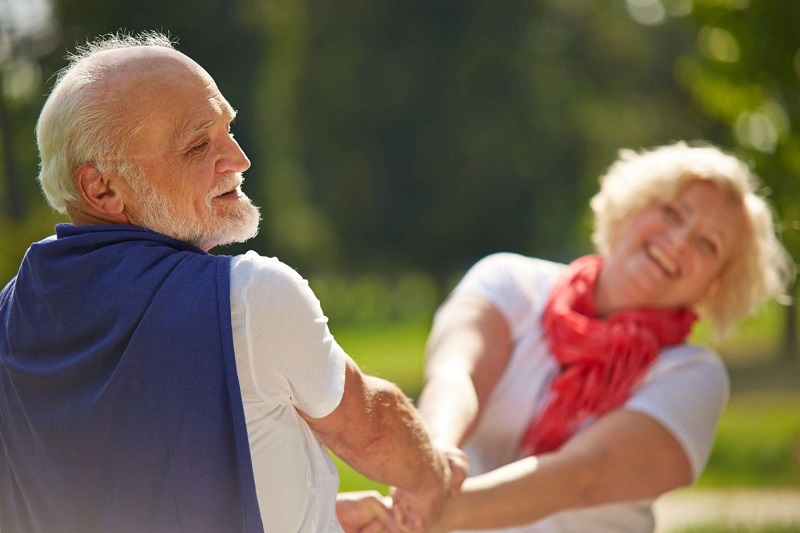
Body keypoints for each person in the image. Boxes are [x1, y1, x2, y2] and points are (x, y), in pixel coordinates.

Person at [0, 32, 464, 533]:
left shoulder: (8, 319)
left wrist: (315, 509)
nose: (239, 160)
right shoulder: (248, 296)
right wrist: (433, 476)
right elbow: (370, 433)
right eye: (199, 144)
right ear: (103, 187)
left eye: (228, 129)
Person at [393, 141, 795, 532]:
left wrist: (434, 514)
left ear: (715, 286)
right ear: (634, 206)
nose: (678, 242)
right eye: (673, 212)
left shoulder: (693, 376)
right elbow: (455, 373)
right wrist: (433, 461)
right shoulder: (508, 280)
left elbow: (582, 476)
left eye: (707, 245)